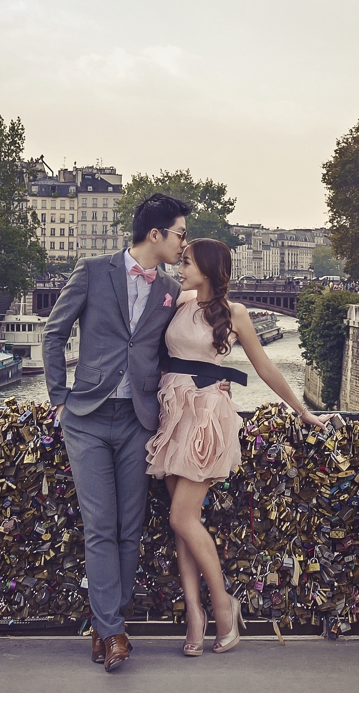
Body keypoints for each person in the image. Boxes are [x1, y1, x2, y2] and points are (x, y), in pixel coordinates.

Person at [151, 237, 323, 656]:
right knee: (180, 524)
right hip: (173, 412)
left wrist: (301, 410)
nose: (181, 266)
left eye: (187, 262)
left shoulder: (235, 313)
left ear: (208, 268)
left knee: (182, 517)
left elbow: (264, 366)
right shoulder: (178, 301)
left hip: (206, 415)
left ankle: (223, 605)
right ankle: (196, 611)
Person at [44, 192, 192, 673]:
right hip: (85, 418)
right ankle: (113, 631)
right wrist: (58, 399)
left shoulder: (170, 288)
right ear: (156, 234)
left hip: (137, 420)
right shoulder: (92, 270)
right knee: (100, 527)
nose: (182, 243)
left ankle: (108, 628)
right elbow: (54, 332)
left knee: (131, 529)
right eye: (179, 234)